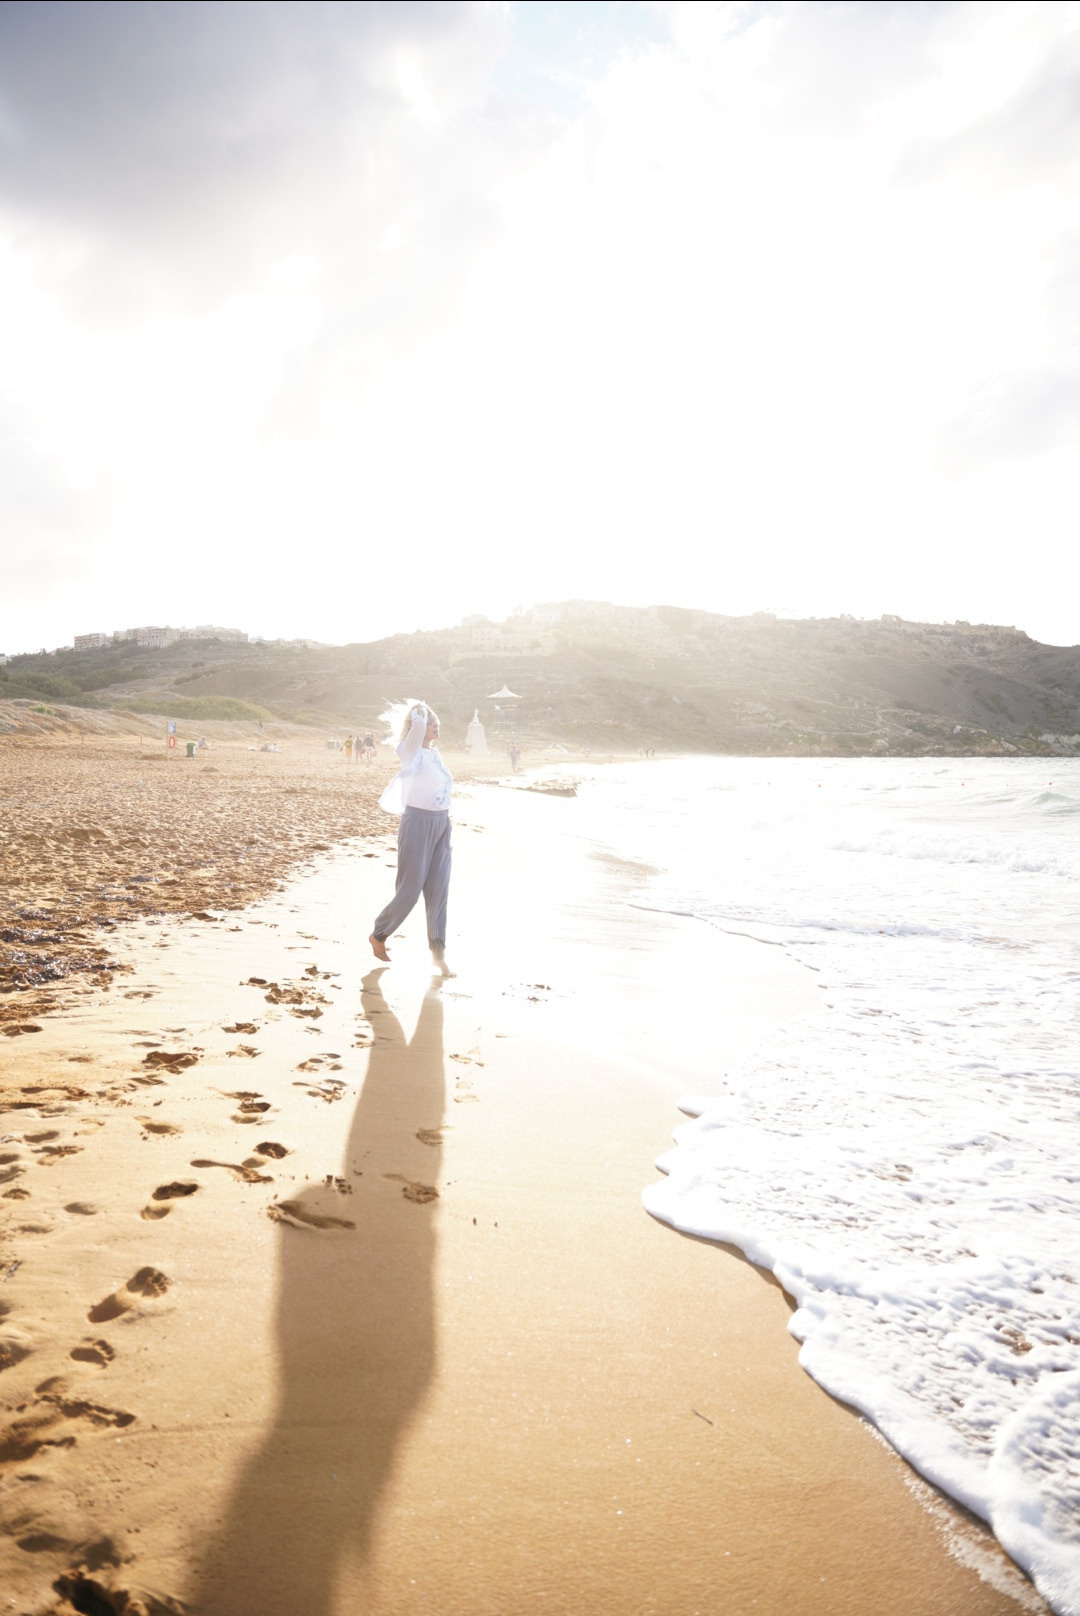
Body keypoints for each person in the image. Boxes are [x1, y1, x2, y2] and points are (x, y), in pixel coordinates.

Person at [369, 702, 453, 974]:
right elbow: (417, 723)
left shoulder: (434, 754)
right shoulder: (409, 751)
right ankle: (379, 934)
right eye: (431, 723)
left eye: (437, 722)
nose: (436, 726)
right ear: (419, 726)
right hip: (417, 823)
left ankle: (438, 954)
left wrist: (427, 717)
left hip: (442, 824)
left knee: (439, 891)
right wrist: (420, 711)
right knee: (410, 889)